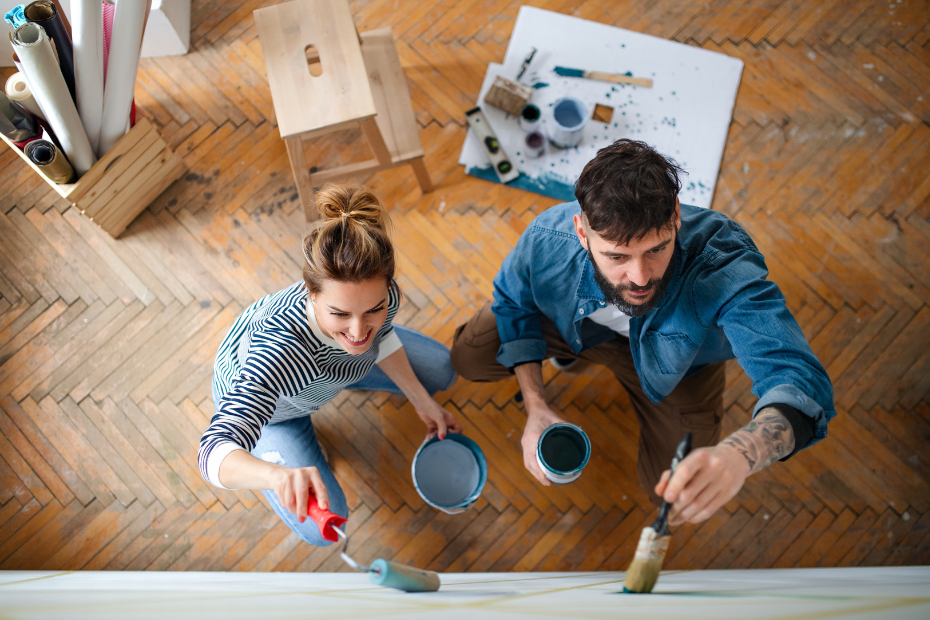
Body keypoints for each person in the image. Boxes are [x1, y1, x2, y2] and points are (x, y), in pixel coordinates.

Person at [450, 139, 835, 526]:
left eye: (656, 249)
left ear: (676, 217)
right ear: (582, 233)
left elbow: (798, 379)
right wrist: (534, 403)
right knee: (469, 355)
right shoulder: (548, 239)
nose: (640, 279)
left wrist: (740, 452)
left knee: (672, 492)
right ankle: (572, 350)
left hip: (682, 367)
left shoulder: (722, 261)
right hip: (581, 329)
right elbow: (514, 304)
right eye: (617, 257)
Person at [199, 184, 461, 545]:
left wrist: (419, 398)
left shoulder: (381, 298)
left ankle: (351, 372)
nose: (358, 331)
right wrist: (275, 475)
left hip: (331, 374)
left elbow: (379, 338)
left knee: (442, 370)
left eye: (374, 309)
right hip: (279, 410)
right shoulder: (274, 351)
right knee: (326, 528)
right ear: (311, 293)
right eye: (339, 313)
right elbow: (212, 452)